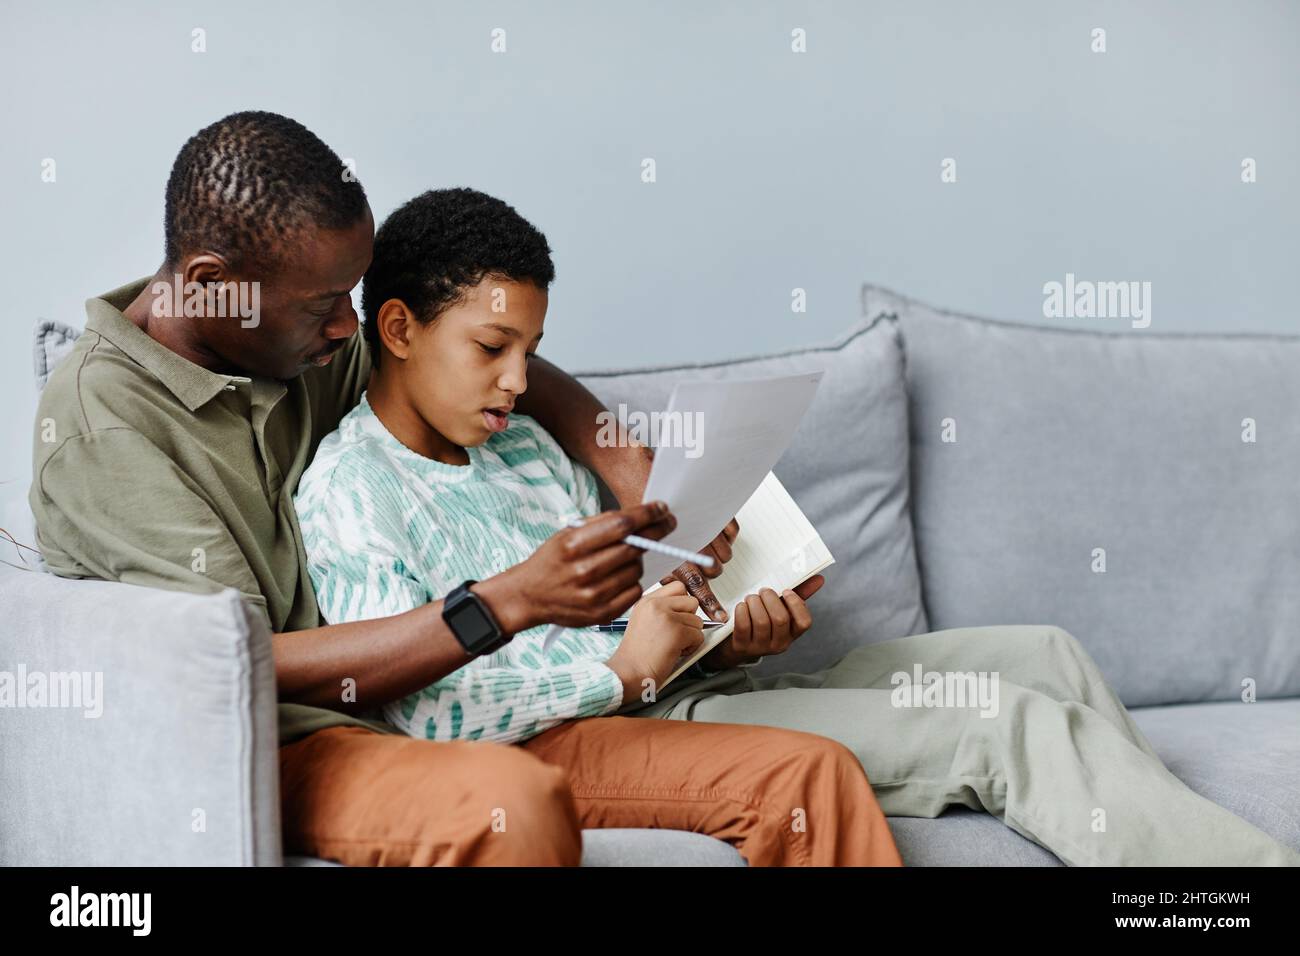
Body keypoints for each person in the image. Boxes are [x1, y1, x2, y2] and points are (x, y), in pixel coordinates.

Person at [304, 184, 1300, 868]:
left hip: (670, 686)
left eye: (531, 348)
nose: (519, 379)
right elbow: (419, 716)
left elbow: (626, 617)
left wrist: (721, 620)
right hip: (580, 730)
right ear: (398, 328)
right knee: (1002, 724)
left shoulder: (519, 445)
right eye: (492, 347)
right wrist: (620, 672)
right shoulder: (351, 489)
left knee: (1045, 654)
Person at [30, 111, 899, 867]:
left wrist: (629, 463)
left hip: (437, 711)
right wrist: (501, 605)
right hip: (283, 742)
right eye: (328, 306)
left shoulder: (286, 336)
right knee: (510, 801)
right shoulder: (105, 428)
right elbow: (224, 663)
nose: (354, 326)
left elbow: (509, 367)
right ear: (217, 286)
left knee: (799, 770)